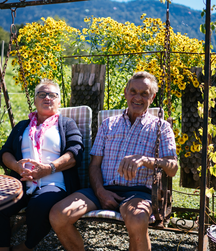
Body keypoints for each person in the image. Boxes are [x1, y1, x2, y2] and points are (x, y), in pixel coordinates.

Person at [49, 71, 178, 251]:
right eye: (133, 91)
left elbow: (172, 168)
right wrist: (101, 191)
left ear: (152, 97)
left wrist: (146, 160)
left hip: (138, 193)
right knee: (58, 215)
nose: (137, 98)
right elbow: (94, 165)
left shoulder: (160, 127)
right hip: (103, 188)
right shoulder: (109, 124)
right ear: (125, 92)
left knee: (137, 219)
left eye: (144, 93)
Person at [0, 79, 84, 251]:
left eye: (52, 95)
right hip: (21, 182)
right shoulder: (22, 126)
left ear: (59, 102)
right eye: (42, 94)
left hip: (54, 183)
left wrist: (48, 168)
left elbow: (75, 153)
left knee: (38, 205)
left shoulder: (67, 124)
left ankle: (25, 247)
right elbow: (5, 152)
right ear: (35, 100)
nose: (47, 98)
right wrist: (16, 166)